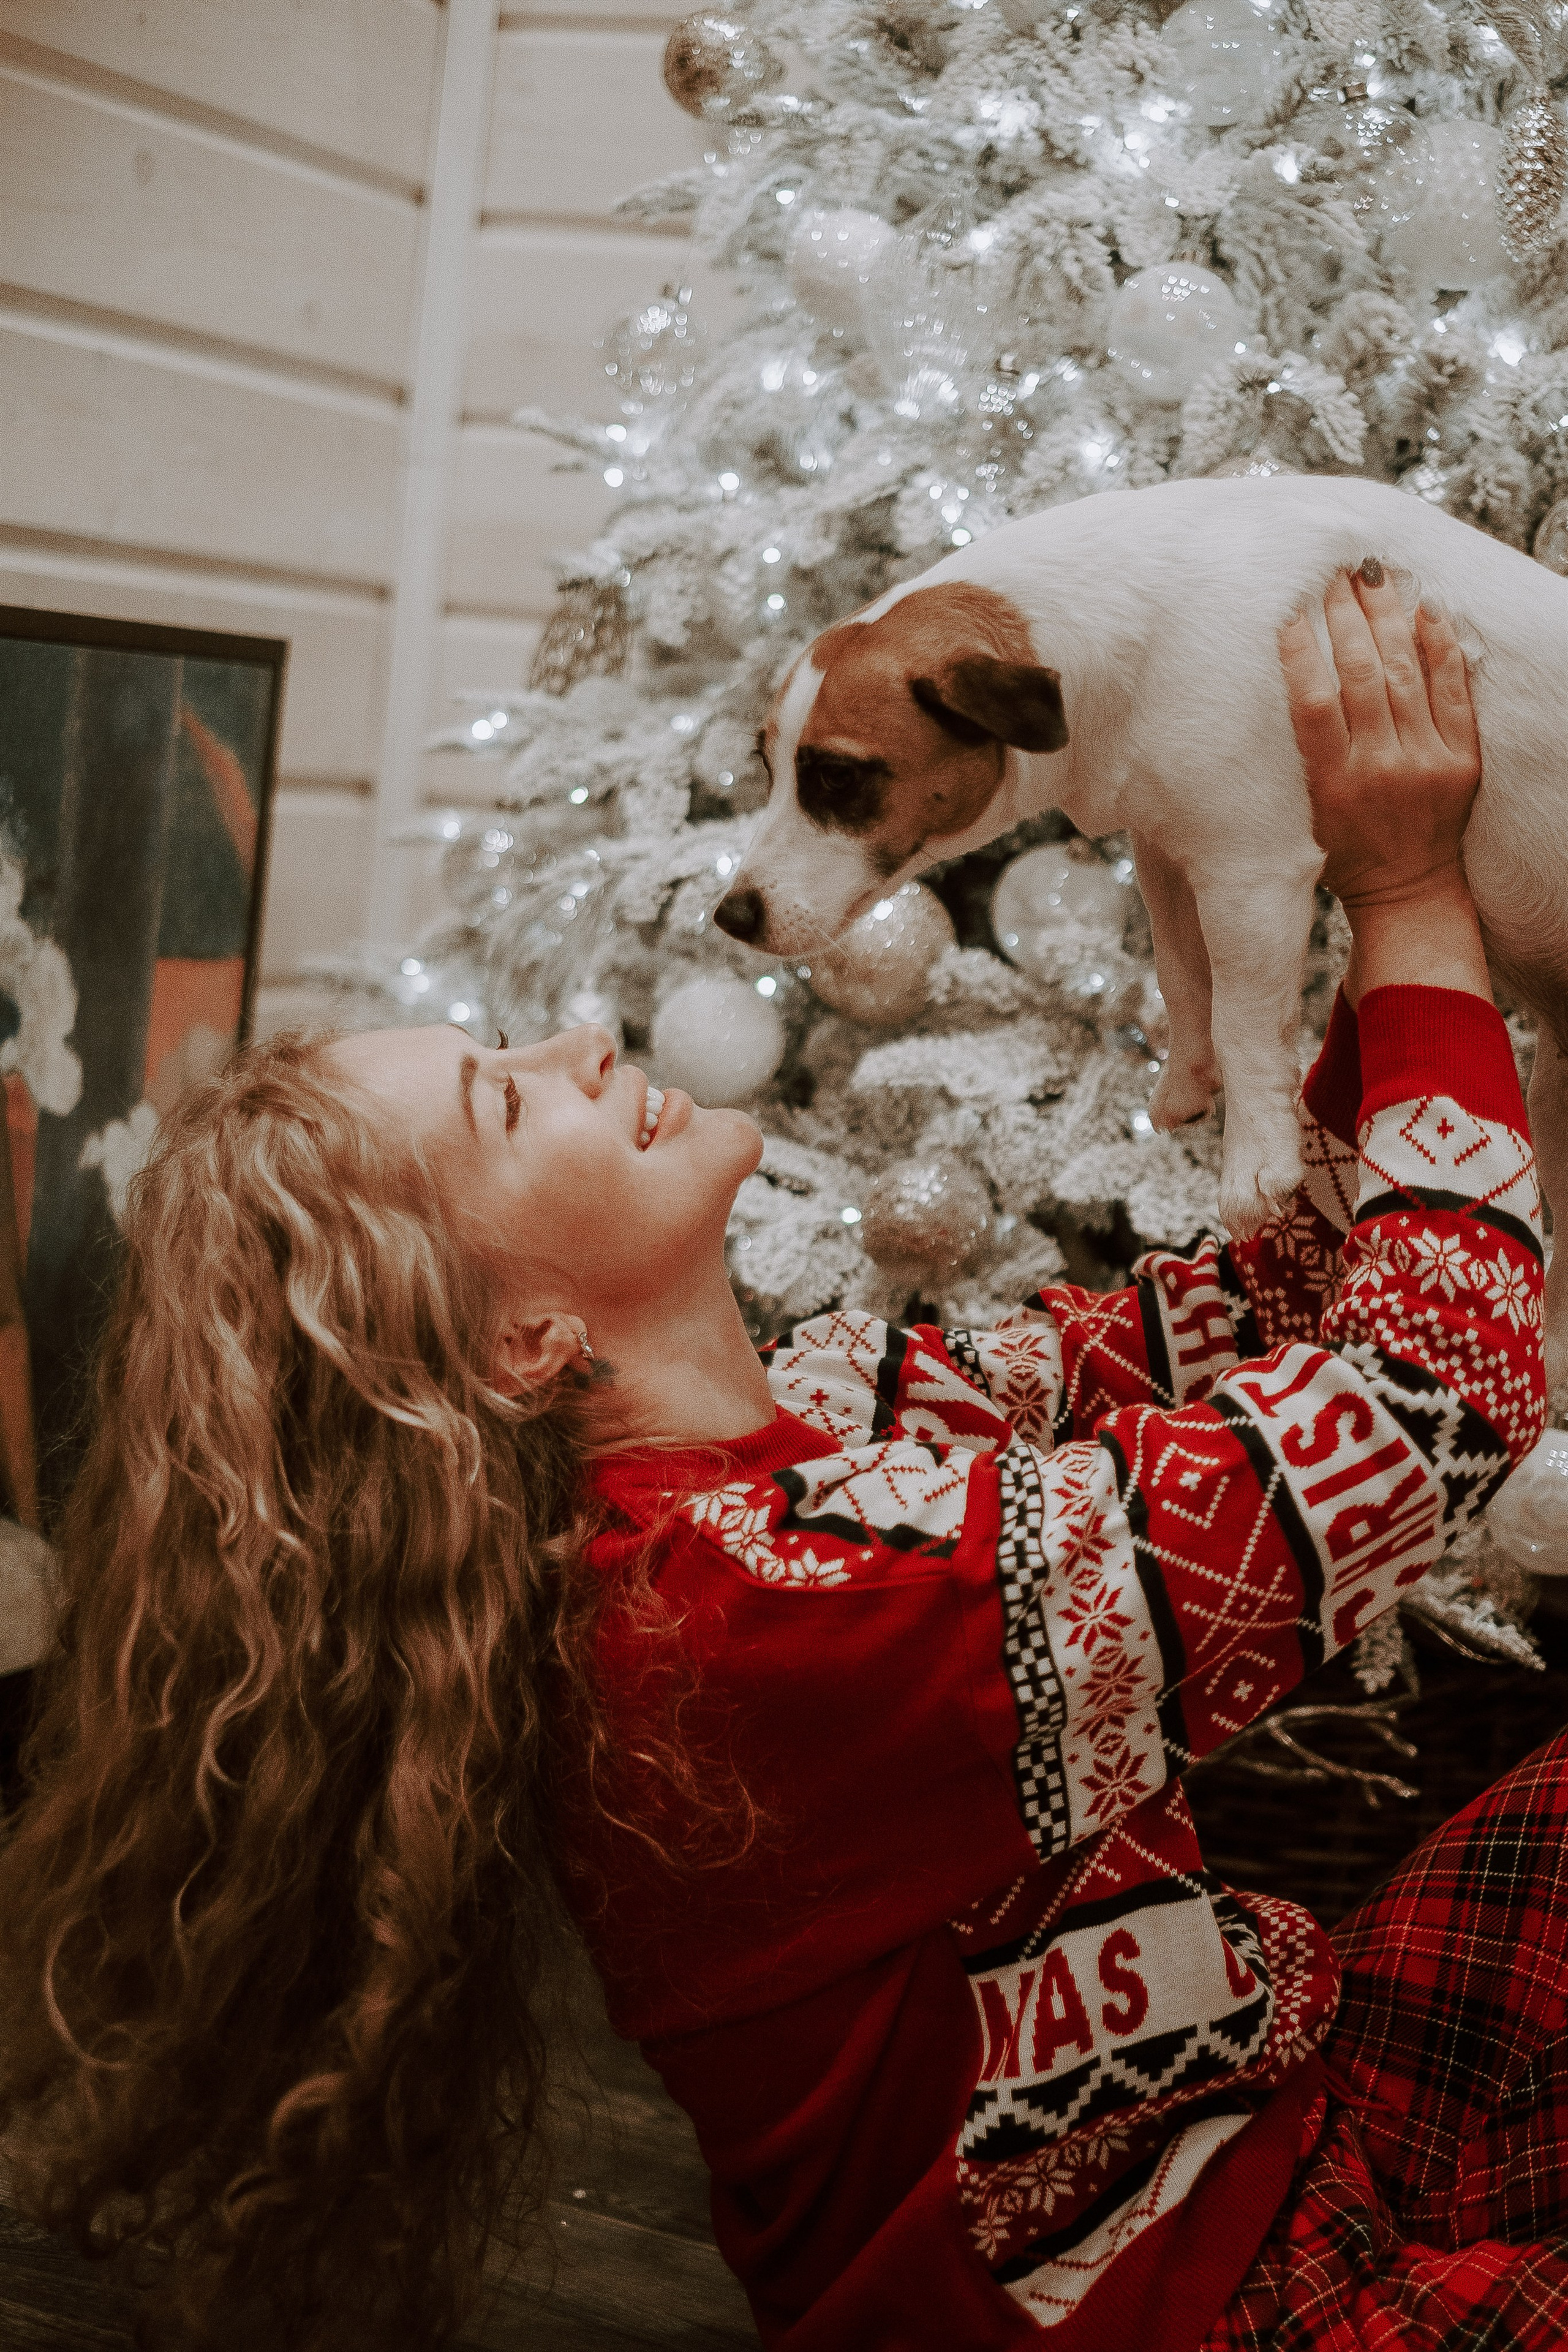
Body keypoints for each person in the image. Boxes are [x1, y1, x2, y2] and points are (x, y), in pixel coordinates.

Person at [0, 566, 1559, 2352]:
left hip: (1286, 2130)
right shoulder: (756, 1619)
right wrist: (1414, 891)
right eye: (510, 1096)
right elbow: (1432, 1401)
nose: (580, 1043)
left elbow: (1260, 1309)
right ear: (523, 1343)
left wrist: (1356, 901)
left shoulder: (820, 1420)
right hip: (1203, 2306)